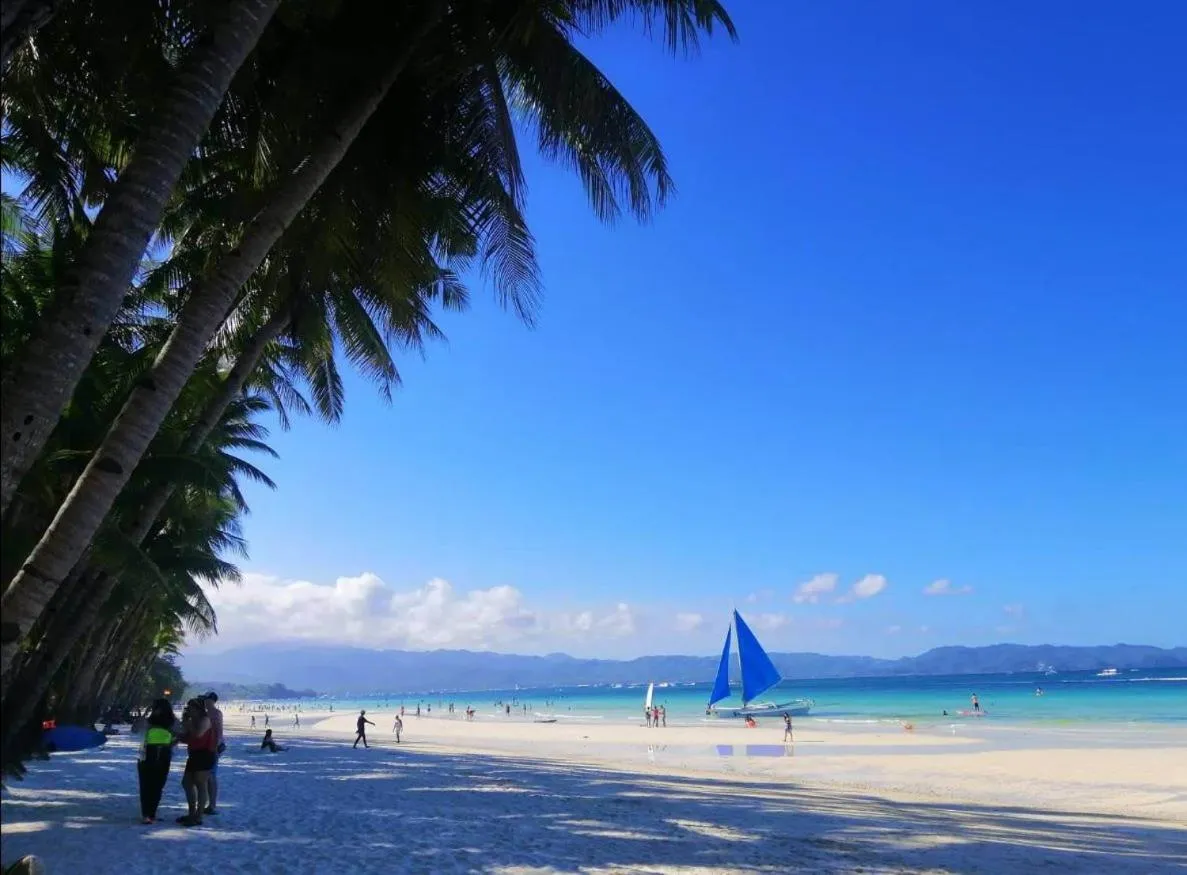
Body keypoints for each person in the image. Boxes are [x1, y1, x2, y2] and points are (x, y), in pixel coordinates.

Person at [137, 699, 177, 824]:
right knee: (147, 784)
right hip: (149, 753)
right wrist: (144, 714)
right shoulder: (149, 721)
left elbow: (180, 735)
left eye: (155, 708)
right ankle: (147, 814)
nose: (155, 710)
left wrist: (171, 743)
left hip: (160, 753)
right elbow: (135, 729)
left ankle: (150, 814)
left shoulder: (172, 722)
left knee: (157, 785)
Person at [177, 698, 215, 826]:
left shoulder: (205, 720)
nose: (189, 710)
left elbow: (198, 734)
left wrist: (188, 723)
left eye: (192, 707)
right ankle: (191, 813)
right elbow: (188, 737)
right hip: (194, 754)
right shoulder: (192, 720)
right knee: (186, 783)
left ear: (198, 709)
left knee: (200, 784)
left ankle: (198, 816)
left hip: (205, 754)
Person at [202, 692, 225, 816]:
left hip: (212, 748)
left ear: (212, 700)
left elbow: (218, 732)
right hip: (206, 747)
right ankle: (208, 804)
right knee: (206, 777)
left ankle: (212, 805)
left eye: (206, 699)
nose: (204, 701)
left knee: (211, 777)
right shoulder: (206, 713)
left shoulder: (216, 713)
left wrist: (215, 747)